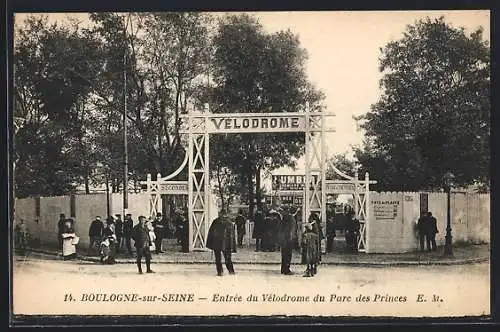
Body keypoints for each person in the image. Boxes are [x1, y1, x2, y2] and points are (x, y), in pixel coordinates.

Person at [206, 209, 235, 276]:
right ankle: (231, 271)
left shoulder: (215, 221)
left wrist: (211, 243)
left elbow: (211, 233)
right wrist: (232, 246)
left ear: (220, 214)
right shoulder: (229, 223)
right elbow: (231, 236)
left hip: (217, 243)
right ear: (226, 214)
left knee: (218, 258)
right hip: (226, 243)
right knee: (228, 258)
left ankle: (220, 272)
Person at [277, 206, 297, 275]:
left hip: (283, 239)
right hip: (288, 239)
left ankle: (283, 269)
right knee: (288, 255)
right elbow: (291, 229)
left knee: (284, 255)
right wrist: (291, 237)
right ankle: (287, 270)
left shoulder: (284, 218)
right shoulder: (291, 218)